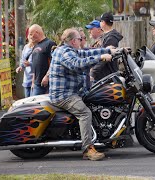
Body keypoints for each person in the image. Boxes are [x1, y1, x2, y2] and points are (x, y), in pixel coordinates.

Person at [49, 27, 116, 161]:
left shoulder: (72, 50)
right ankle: (87, 149)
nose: (81, 41)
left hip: (73, 92)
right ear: (74, 41)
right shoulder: (64, 52)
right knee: (85, 113)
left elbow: (87, 52)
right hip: (64, 95)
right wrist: (101, 57)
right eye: (80, 39)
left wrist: (111, 51)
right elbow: (77, 64)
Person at [90, 12, 123, 82]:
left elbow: (105, 58)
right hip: (102, 76)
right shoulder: (105, 36)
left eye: (100, 21)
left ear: (103, 22)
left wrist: (93, 73)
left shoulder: (111, 38)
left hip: (107, 77)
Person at [28, 24, 57, 96]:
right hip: (36, 83)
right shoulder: (35, 45)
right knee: (33, 104)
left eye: (31, 34)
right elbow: (35, 65)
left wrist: (47, 76)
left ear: (37, 32)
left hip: (46, 83)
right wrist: (33, 82)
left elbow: (54, 62)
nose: (30, 37)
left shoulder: (50, 43)